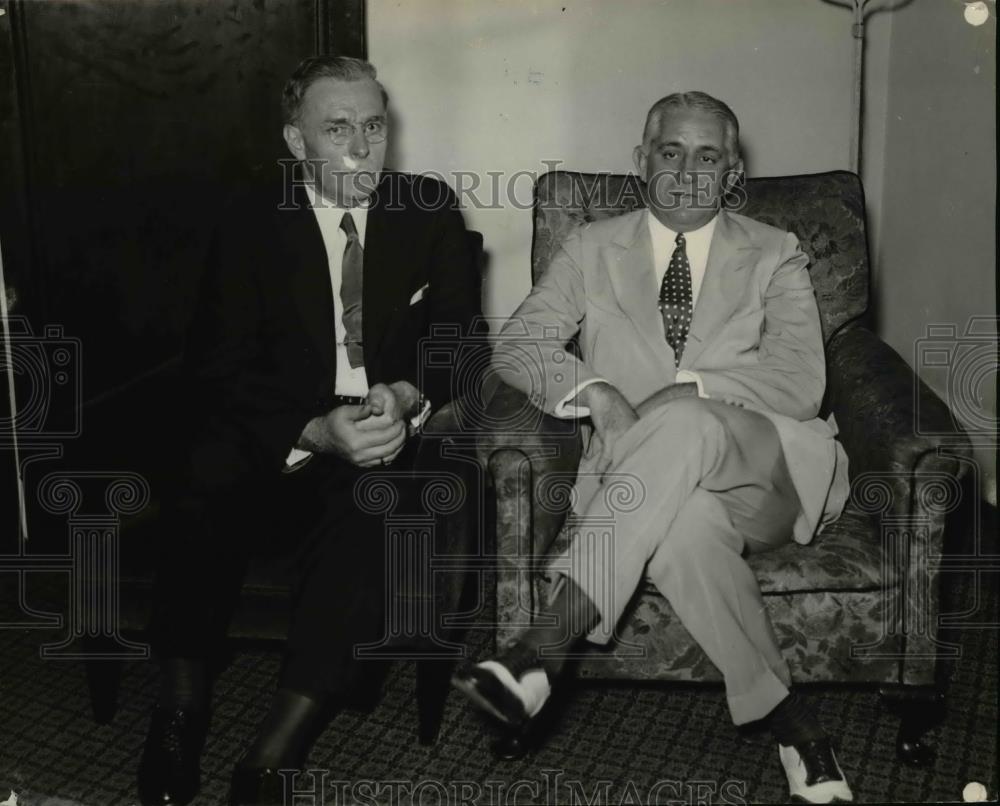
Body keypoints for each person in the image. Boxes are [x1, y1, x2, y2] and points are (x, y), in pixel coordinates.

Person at [452, 91, 853, 804]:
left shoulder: (774, 253)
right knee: (681, 531)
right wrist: (597, 393)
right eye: (671, 152)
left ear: (733, 172)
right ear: (642, 161)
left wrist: (686, 389)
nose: (688, 172)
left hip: (769, 472)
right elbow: (518, 343)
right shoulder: (591, 247)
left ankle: (543, 648)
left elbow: (799, 383)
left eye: (708, 157)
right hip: (651, 489)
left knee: (690, 421)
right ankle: (795, 723)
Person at [137, 56, 480, 806]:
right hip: (278, 429)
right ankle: (181, 706)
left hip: (379, 424)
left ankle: (273, 752)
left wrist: (403, 392)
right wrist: (313, 429)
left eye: (373, 126)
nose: (362, 147)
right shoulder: (250, 219)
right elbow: (217, 367)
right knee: (202, 471)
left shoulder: (428, 210)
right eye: (337, 129)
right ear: (297, 143)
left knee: (380, 505)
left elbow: (459, 342)